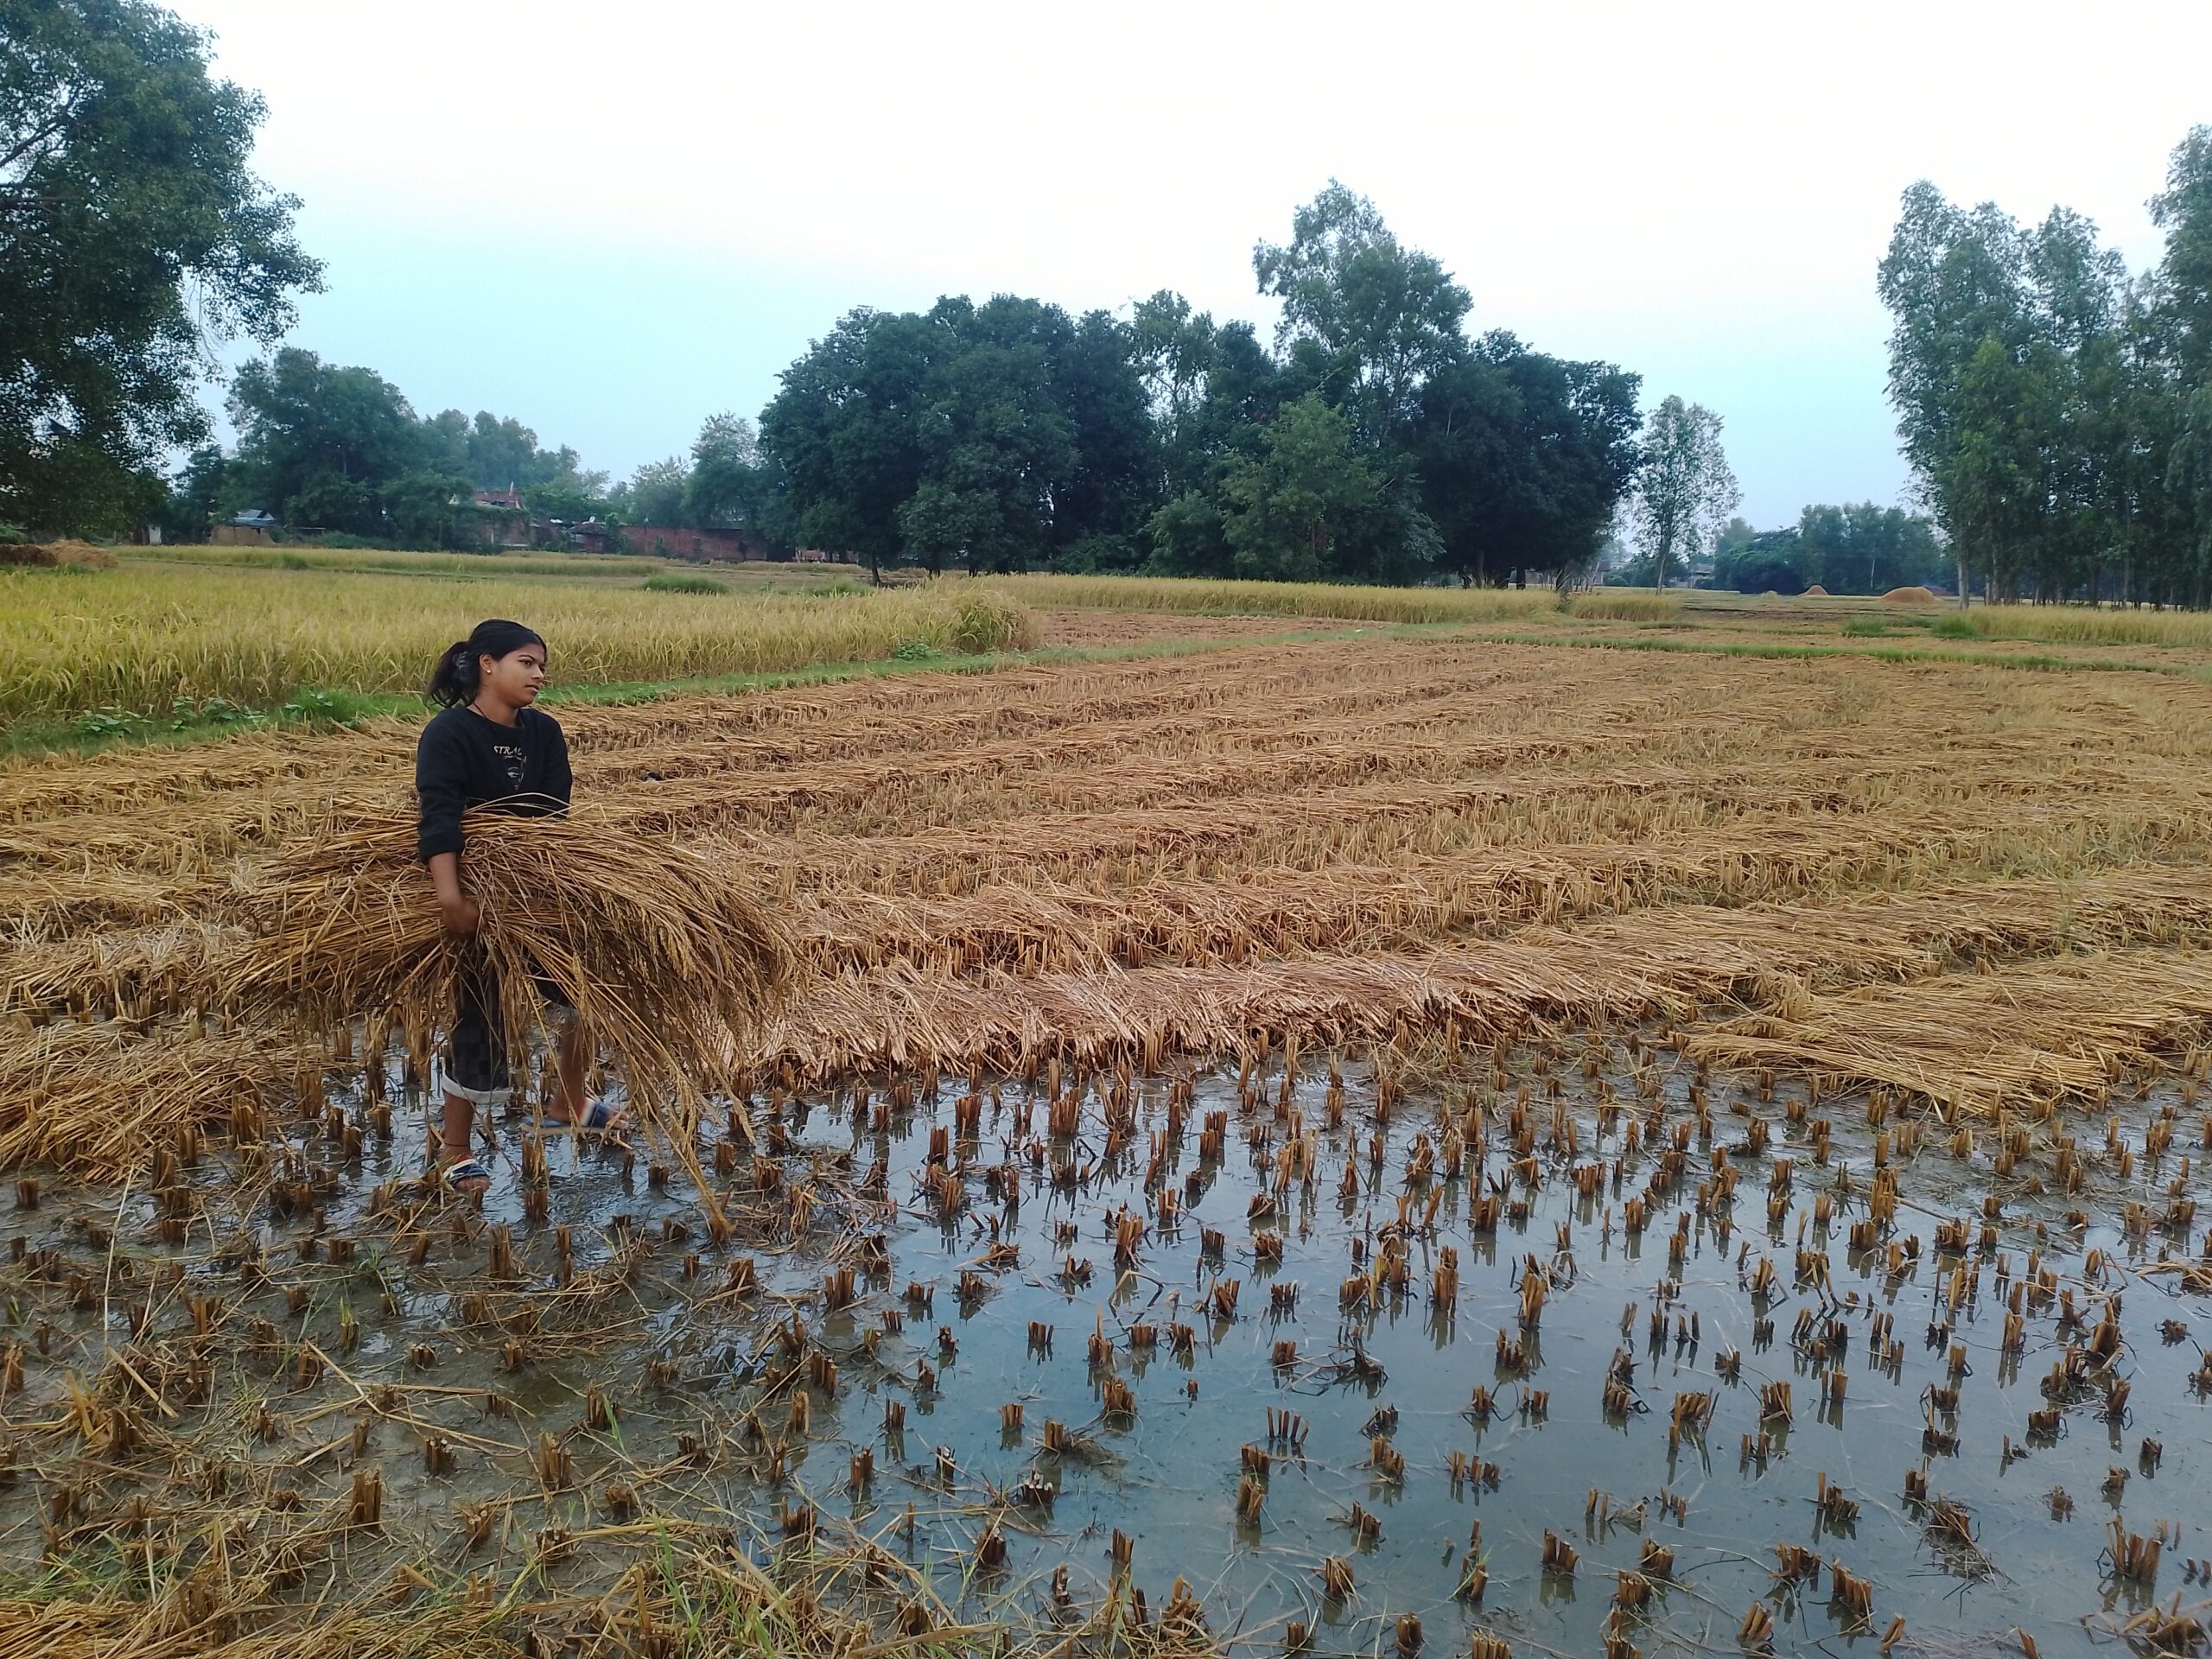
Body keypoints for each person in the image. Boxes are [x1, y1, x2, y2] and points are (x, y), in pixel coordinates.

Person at [416, 619, 626, 1194]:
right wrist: (451, 897)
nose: (539, 674)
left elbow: (552, 819)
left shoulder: (544, 732)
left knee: (585, 992)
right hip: (476, 898)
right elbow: (439, 818)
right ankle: (454, 1149)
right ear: (487, 664)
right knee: (479, 1015)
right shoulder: (449, 733)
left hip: (537, 894)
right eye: (526, 662)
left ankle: (568, 1100)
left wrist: (548, 889)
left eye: (541, 665)